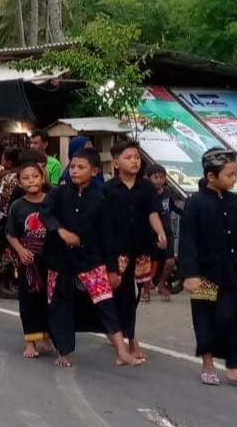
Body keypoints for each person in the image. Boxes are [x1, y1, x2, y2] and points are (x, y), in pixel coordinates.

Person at [40, 147, 142, 368]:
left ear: (94, 171)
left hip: (90, 259)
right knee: (60, 305)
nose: (75, 171)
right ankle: (63, 352)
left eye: (81, 167)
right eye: (73, 166)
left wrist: (113, 269)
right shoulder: (58, 193)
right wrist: (61, 231)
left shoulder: (99, 199)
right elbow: (45, 214)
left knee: (105, 302)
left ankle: (122, 351)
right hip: (60, 260)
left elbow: (108, 237)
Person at [181, 148, 237, 391]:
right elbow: (187, 240)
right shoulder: (195, 203)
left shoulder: (235, 202)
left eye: (235, 174)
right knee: (208, 318)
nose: (234, 179)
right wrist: (189, 273)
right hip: (206, 275)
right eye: (229, 174)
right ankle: (208, 364)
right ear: (211, 176)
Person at [104, 141, 167, 361]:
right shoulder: (108, 189)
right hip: (116, 250)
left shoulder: (147, 187)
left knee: (135, 295)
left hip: (141, 249)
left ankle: (129, 336)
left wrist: (160, 232)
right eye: (129, 157)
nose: (134, 161)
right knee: (119, 294)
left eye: (137, 157)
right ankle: (122, 337)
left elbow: (153, 213)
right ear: (116, 162)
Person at [6, 162, 56, 359]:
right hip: (29, 260)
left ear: (43, 178)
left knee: (51, 300)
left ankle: (47, 336)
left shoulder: (53, 201)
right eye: (26, 178)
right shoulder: (17, 206)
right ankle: (30, 341)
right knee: (29, 301)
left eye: (35, 176)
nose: (31, 181)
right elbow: (10, 233)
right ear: (19, 182)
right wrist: (20, 250)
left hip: (51, 258)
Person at [146, 163, 181, 302]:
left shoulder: (167, 192)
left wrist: (186, 213)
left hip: (167, 232)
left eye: (162, 177)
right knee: (149, 264)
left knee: (170, 262)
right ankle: (145, 290)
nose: (159, 180)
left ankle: (161, 283)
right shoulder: (146, 195)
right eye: (156, 177)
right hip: (150, 234)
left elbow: (173, 207)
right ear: (148, 178)